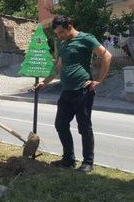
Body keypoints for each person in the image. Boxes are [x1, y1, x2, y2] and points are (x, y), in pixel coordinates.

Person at [36, 16, 112, 173]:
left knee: (84, 127)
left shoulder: (86, 38)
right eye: (57, 33)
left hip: (82, 91)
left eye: (61, 32)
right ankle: (68, 160)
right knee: (60, 124)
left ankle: (88, 163)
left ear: (70, 26)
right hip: (66, 91)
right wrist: (44, 82)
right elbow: (58, 67)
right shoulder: (63, 44)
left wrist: (99, 80)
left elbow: (107, 55)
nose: (59, 36)